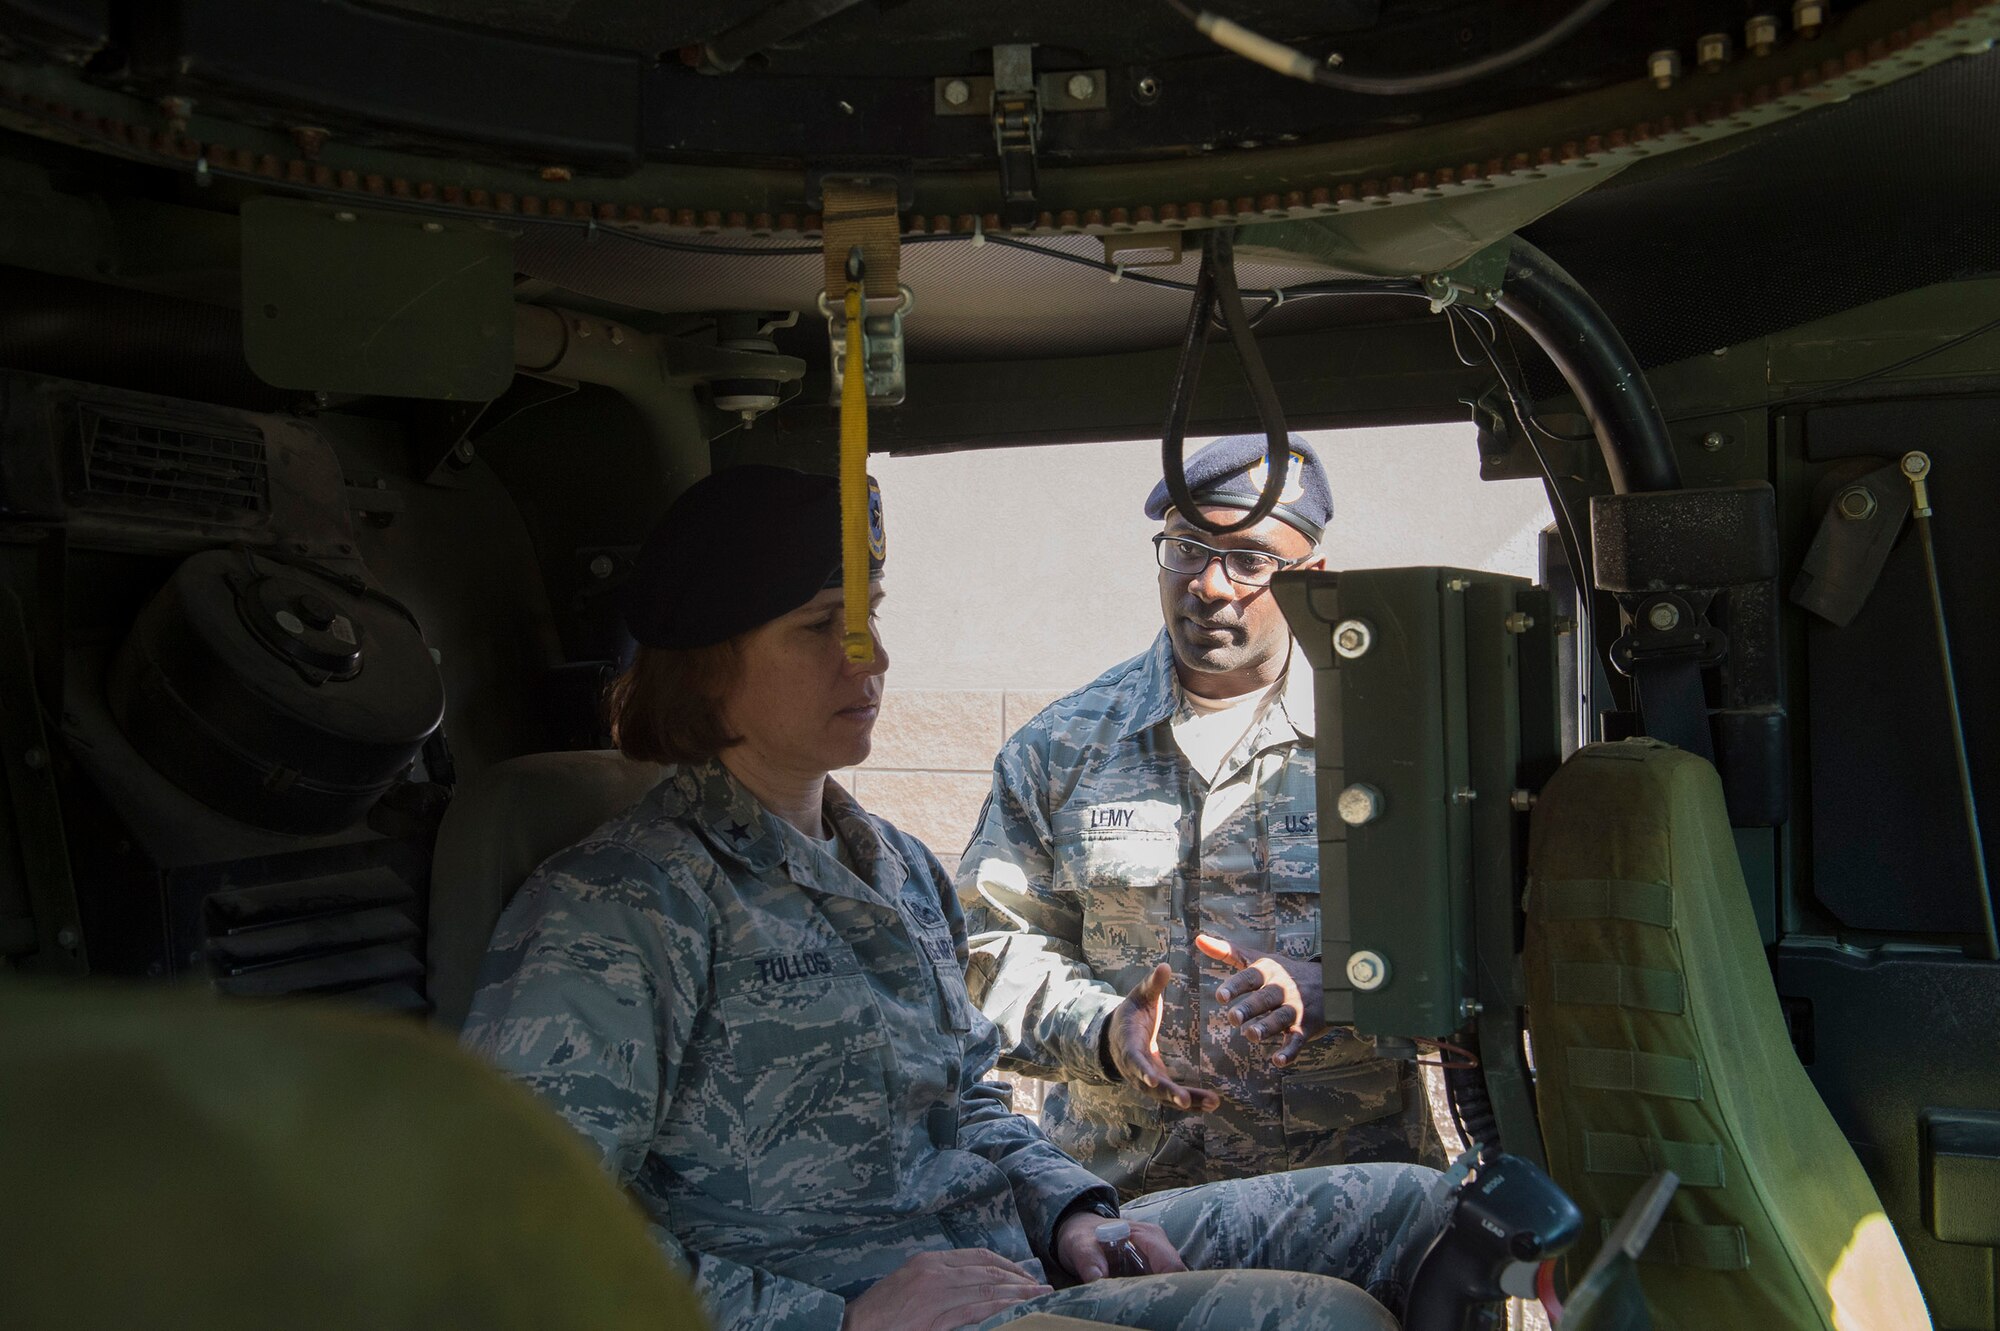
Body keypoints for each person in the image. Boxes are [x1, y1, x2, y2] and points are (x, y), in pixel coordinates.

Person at [461, 464, 1448, 1331]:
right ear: (708, 665)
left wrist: (1072, 1213)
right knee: (1323, 1321)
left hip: (1005, 1253)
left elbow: (962, 1103)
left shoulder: (891, 863)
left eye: (870, 615)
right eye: (820, 627)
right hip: (867, 1303)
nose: (873, 657)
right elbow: (513, 1222)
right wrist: (833, 1317)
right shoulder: (618, 907)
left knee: (1428, 1210)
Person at [957, 434, 1445, 1199]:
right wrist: (1104, 1028)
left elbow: (1471, 949)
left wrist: (1343, 988)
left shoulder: (1391, 742)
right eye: (1187, 548)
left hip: (1352, 1200)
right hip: (1130, 1212)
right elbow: (989, 952)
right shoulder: (1061, 748)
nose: (1210, 585)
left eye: (1250, 560)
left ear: (1310, 577)